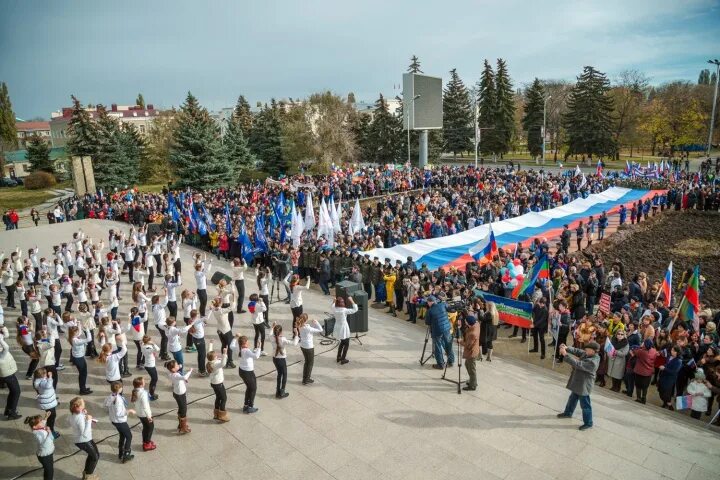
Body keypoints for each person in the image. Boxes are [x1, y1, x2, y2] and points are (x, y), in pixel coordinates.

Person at [557, 341, 600, 431]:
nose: (585, 351)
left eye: (588, 350)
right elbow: (577, 351)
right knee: (572, 398)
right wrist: (567, 348)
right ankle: (568, 413)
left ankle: (588, 423)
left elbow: (578, 364)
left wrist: (565, 355)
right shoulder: (587, 354)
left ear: (594, 351)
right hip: (579, 383)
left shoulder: (593, 362)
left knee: (585, 405)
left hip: (584, 385)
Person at [68, 397, 100, 480]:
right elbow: (84, 434)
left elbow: (80, 419)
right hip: (83, 440)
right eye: (83, 403)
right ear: (78, 407)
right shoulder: (78, 417)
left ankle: (86, 473)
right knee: (95, 457)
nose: (84, 404)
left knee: (93, 455)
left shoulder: (74, 414)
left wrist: (84, 414)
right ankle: (88, 477)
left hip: (84, 439)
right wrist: (89, 420)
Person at [104, 381, 135, 463]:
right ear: (120, 389)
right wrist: (129, 411)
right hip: (120, 421)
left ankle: (120, 453)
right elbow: (119, 413)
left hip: (114, 420)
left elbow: (105, 404)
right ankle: (126, 454)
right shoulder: (118, 400)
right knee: (129, 436)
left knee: (122, 435)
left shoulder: (111, 396)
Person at [231, 335, 261, 413]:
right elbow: (256, 356)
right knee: (253, 388)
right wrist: (259, 347)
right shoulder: (246, 350)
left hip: (242, 371)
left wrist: (235, 338)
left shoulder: (238, 348)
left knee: (249, 387)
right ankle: (250, 406)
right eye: (247, 341)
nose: (248, 343)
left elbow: (231, 346)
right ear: (244, 343)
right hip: (248, 372)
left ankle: (246, 405)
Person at [425, 296, 454, 369]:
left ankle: (440, 364)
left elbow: (427, 322)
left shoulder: (429, 311)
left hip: (437, 330)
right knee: (448, 344)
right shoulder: (443, 304)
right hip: (446, 328)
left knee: (437, 347)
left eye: (428, 302)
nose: (427, 303)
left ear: (430, 302)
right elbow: (451, 309)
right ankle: (451, 361)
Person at [270, 323, 298, 399]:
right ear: (281, 332)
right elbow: (294, 343)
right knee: (284, 374)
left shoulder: (272, 338)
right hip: (281, 359)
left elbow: (270, 333)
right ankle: (282, 391)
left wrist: (272, 327)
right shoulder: (283, 339)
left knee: (279, 374)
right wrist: (296, 334)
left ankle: (277, 392)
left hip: (274, 358)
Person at [166, 359, 192, 433]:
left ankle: (181, 424)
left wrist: (178, 366)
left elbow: (180, 377)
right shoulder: (176, 375)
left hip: (177, 393)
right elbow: (184, 377)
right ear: (173, 369)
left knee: (181, 409)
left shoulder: (171, 373)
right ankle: (183, 427)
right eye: (176, 365)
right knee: (184, 409)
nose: (178, 366)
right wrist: (190, 371)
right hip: (180, 394)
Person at [25, 414, 54, 480]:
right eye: (40, 422)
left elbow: (42, 423)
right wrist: (49, 432)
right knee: (50, 472)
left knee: (48, 468)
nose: (42, 422)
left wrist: (46, 417)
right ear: (35, 427)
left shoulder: (38, 428)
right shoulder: (39, 434)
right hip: (45, 456)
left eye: (41, 421)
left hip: (47, 453)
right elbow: (46, 443)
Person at [33, 368, 59, 438]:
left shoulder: (37, 381)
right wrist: (50, 377)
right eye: (45, 373)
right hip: (49, 403)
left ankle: (50, 429)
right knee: (52, 417)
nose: (47, 374)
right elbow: (48, 385)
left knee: (51, 416)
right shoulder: (43, 382)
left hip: (46, 402)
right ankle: (51, 431)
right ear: (42, 375)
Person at [131, 377, 156, 451]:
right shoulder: (143, 393)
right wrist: (149, 416)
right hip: (145, 414)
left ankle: (145, 441)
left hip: (139, 413)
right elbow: (145, 406)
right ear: (141, 385)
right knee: (150, 428)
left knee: (145, 427)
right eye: (144, 381)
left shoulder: (135, 391)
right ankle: (147, 444)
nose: (145, 382)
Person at [297, 313, 323, 385]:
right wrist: (317, 322)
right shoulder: (307, 328)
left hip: (303, 346)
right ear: (306, 319)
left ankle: (305, 378)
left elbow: (310, 329)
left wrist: (313, 325)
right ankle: (306, 379)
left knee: (306, 362)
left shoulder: (300, 325)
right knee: (310, 363)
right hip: (309, 347)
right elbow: (320, 329)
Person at [206, 344, 230, 422]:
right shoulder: (215, 364)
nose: (217, 356)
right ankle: (222, 415)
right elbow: (223, 363)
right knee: (224, 398)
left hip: (213, 383)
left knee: (218, 397)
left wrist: (211, 344)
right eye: (216, 356)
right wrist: (224, 353)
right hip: (218, 384)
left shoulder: (209, 362)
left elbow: (209, 352)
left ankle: (216, 414)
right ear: (214, 358)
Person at [0, 332, 21, 419]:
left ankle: (9, 410)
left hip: (4, 374)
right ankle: (11, 412)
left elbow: (6, 335)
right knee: (16, 392)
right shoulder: (1, 354)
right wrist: (0, 339)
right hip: (8, 374)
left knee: (13, 392)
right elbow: (6, 347)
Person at [332, 296, 358, 364]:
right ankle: (343, 359)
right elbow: (355, 309)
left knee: (342, 342)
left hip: (337, 327)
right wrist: (351, 300)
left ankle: (338, 357)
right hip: (343, 328)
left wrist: (334, 301)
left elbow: (332, 305)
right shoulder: (344, 310)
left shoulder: (334, 309)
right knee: (346, 343)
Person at [631, 338, 657, 404]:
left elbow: (634, 350)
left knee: (638, 386)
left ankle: (639, 398)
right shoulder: (654, 351)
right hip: (648, 372)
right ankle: (644, 398)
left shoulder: (641, 352)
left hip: (640, 371)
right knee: (645, 387)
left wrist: (641, 346)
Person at [462, 314, 480, 391]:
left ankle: (473, 385)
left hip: (472, 352)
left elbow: (468, 345)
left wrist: (460, 342)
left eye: (465, 322)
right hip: (475, 350)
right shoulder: (477, 324)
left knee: (472, 369)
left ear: (468, 323)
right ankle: (472, 381)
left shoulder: (472, 334)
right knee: (467, 364)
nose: (465, 322)